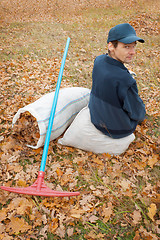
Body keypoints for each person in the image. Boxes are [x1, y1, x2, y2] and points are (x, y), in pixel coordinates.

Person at [88, 23, 146, 139]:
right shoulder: (125, 80)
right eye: (126, 47)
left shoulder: (99, 60)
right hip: (117, 130)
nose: (133, 52)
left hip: (95, 118)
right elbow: (138, 113)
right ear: (111, 46)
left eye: (133, 46)